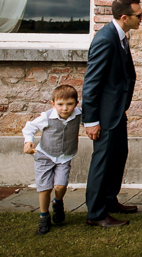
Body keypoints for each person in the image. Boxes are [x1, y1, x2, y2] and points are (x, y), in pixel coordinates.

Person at [82, 0, 142, 227]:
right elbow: (91, 82)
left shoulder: (121, 36)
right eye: (139, 15)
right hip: (105, 115)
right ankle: (96, 214)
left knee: (118, 157)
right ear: (124, 16)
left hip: (118, 111)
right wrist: (91, 120)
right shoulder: (105, 39)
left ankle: (109, 200)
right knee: (103, 162)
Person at [22, 85, 81, 235]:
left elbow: (90, 122)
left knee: (60, 186)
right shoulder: (47, 117)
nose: (65, 108)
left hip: (64, 157)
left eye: (69, 104)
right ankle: (44, 217)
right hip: (44, 156)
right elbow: (30, 127)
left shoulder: (79, 115)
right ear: (53, 104)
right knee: (45, 188)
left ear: (76, 103)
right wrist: (28, 141)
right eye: (60, 104)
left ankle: (58, 202)